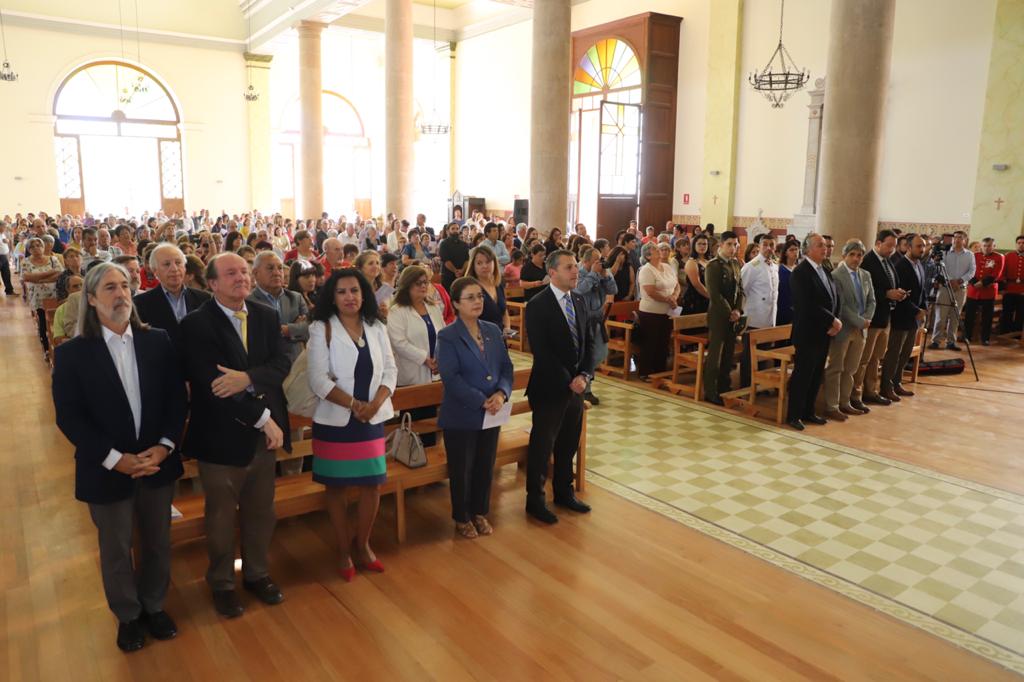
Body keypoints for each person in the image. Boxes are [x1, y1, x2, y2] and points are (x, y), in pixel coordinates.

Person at [51, 262, 187, 652]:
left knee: (158, 541)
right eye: (110, 288)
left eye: (125, 286)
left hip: (156, 461)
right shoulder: (75, 353)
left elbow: (176, 400)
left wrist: (163, 446)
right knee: (116, 547)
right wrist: (116, 459)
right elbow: (70, 417)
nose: (121, 294)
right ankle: (128, 615)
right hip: (106, 468)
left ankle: (155, 605)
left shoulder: (156, 340)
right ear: (91, 299)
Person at [180, 253, 289, 618]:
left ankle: (257, 574)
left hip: (263, 440)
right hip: (221, 437)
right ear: (211, 283)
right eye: (230, 273)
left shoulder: (266, 314)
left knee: (261, 513)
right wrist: (263, 418)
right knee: (222, 519)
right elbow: (215, 386)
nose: (241, 277)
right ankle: (223, 583)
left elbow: (281, 365)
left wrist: (249, 378)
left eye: (244, 271)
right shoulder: (197, 324)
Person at [306, 269, 396, 581]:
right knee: (338, 488)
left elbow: (391, 371)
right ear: (332, 296)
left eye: (355, 291)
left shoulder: (376, 326)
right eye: (342, 291)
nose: (349, 297)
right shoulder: (322, 328)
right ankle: (343, 550)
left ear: (364, 294)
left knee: (373, 484)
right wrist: (354, 405)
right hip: (336, 420)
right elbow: (316, 378)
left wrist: (374, 404)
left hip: (371, 419)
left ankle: (364, 546)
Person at [434, 277, 514, 538]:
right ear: (456, 303)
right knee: (462, 468)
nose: (478, 301)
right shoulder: (447, 336)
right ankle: (461, 517)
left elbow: (505, 367)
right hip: (463, 413)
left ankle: (479, 512)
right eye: (470, 297)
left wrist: (501, 393)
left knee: (485, 464)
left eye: (479, 296)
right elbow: (451, 377)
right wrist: (482, 400)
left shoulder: (491, 329)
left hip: (492, 412)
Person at [523, 250, 596, 524]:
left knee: (568, 444)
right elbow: (542, 351)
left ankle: (564, 493)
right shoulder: (538, 304)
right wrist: (570, 379)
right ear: (552, 273)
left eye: (576, 266)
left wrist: (585, 375)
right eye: (569, 267)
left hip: (576, 387)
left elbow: (588, 343)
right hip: (549, 387)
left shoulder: (579, 299)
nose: (575, 271)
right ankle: (535, 500)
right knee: (543, 447)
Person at [786, 233, 841, 431]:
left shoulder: (824, 269)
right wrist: (832, 320)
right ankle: (794, 415)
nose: (825, 249)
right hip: (808, 332)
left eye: (826, 245)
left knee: (817, 373)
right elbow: (806, 304)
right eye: (820, 245)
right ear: (808, 249)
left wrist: (834, 320)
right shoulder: (801, 272)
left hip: (823, 332)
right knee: (803, 374)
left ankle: (809, 411)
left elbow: (834, 296)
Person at [387, 265, 446, 445]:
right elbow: (398, 342)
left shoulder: (433, 307)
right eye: (418, 283)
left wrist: (438, 358)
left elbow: (442, 334)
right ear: (406, 285)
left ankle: (430, 452)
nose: (423, 286)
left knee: (431, 419)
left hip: (434, 372)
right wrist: (424, 359)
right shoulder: (397, 311)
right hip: (411, 372)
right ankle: (410, 454)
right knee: (412, 420)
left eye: (425, 282)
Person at [823, 240, 876, 419]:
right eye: (852, 255)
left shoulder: (866, 275)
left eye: (859, 255)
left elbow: (872, 301)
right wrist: (860, 321)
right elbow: (841, 305)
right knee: (836, 368)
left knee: (851, 369)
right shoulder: (836, 275)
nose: (856, 258)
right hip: (844, 329)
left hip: (861, 330)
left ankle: (845, 403)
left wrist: (867, 318)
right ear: (844, 256)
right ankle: (832, 406)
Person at [854, 230, 905, 409]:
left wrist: (898, 292)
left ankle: (871, 391)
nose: (892, 249)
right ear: (878, 243)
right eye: (889, 245)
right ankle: (856, 394)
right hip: (872, 318)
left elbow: (891, 283)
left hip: (885, 317)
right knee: (864, 358)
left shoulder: (887, 262)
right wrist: (886, 293)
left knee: (876, 357)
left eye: (894, 246)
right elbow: (864, 291)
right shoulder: (868, 262)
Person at [133, 244, 211, 355]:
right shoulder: (140, 304)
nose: (174, 269)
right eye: (166, 264)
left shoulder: (204, 298)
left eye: (178, 263)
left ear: (185, 267)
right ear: (155, 271)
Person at [881, 234, 928, 400]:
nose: (922, 249)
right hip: (901, 316)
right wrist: (916, 310)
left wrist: (924, 308)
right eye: (918, 246)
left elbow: (922, 291)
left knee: (906, 352)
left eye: (923, 246)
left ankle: (897, 382)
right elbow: (901, 294)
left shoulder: (920, 265)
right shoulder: (901, 266)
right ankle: (886, 387)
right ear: (908, 247)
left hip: (914, 318)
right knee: (895, 353)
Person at [703, 232, 745, 404]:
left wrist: (738, 310)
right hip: (719, 316)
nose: (733, 248)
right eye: (729, 244)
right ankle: (711, 391)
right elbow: (714, 294)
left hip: (732, 317)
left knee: (728, 354)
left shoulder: (735, 264)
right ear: (720, 245)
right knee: (715, 355)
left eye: (735, 244)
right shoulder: (713, 266)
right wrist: (730, 312)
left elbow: (740, 290)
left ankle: (724, 386)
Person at [248, 251, 309, 365]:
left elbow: (311, 329)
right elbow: (258, 338)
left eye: (280, 268)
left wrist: (288, 330)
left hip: (296, 364)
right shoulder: (248, 302)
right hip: (266, 367)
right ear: (255, 273)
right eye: (270, 268)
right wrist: (295, 329)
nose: (276, 273)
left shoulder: (295, 298)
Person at [574, 245, 617, 404]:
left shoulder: (601, 273)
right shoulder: (578, 273)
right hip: (582, 321)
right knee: (585, 355)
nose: (600, 263)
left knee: (600, 353)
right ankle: (585, 390)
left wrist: (606, 276)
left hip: (597, 320)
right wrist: (593, 274)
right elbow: (579, 290)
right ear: (586, 262)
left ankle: (584, 383)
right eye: (596, 261)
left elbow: (614, 289)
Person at [636, 241, 680, 379]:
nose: (659, 250)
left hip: (667, 311)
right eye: (655, 249)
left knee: (663, 342)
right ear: (648, 256)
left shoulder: (667, 267)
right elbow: (650, 291)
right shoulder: (646, 269)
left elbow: (677, 285)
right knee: (650, 342)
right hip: (650, 312)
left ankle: (660, 371)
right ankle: (645, 372)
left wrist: (674, 296)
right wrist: (668, 300)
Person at [739, 235, 778, 388]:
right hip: (754, 318)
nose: (769, 248)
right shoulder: (752, 266)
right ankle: (747, 387)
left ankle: (759, 386)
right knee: (750, 357)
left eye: (772, 245)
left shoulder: (774, 266)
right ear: (760, 247)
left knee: (764, 354)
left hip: (768, 318)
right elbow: (742, 291)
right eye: (766, 245)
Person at [930, 230, 975, 350]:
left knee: (955, 316)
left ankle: (951, 342)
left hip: (960, 289)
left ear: (965, 240)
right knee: (941, 316)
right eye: (955, 237)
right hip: (945, 287)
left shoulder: (970, 255)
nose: (957, 239)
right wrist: (949, 281)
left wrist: (959, 280)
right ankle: (936, 340)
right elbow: (939, 268)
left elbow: (972, 271)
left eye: (960, 237)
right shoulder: (945, 253)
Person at [21, 237, 62, 359]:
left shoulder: (53, 259)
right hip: (38, 299)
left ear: (43, 247)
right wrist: (49, 273)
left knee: (57, 323)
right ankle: (46, 350)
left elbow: (60, 273)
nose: (36, 248)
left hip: (55, 296)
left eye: (39, 245)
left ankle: (59, 349)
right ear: (29, 249)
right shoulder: (26, 261)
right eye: (32, 246)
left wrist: (39, 279)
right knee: (43, 325)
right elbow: (27, 277)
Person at [963, 237, 1004, 345]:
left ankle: (985, 338)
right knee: (969, 316)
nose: (986, 248)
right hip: (973, 290)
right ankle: (967, 336)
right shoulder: (974, 256)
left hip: (988, 291)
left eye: (989, 246)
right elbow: (968, 270)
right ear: (981, 246)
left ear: (994, 246)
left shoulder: (999, 257)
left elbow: (996, 273)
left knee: (987, 317)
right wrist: (974, 282)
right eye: (984, 246)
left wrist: (982, 283)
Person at [464, 244, 510, 333]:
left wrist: (507, 327)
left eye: (488, 262)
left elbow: (504, 311)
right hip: (480, 337)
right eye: (479, 263)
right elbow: (467, 320)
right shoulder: (470, 288)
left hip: (500, 336)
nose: (484, 266)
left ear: (494, 263)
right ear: (473, 265)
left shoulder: (498, 284)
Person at [999, 235, 1024, 334]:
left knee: (1020, 314)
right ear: (1016, 244)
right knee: (1007, 313)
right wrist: (1003, 288)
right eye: (1019, 243)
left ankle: (1016, 334)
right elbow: (1002, 273)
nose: (1021, 245)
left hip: (1022, 291)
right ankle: (1004, 333)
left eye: (1023, 243)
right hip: (1009, 289)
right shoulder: (1008, 256)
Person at [681, 234, 710, 313]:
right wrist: (712, 297)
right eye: (699, 244)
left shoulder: (709, 262)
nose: (702, 246)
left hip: (707, 298)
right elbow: (697, 285)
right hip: (695, 300)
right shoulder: (692, 262)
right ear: (694, 245)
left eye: (704, 244)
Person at [439, 221, 470, 292]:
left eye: (457, 228)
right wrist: (455, 271)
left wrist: (462, 270)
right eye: (453, 229)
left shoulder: (464, 244)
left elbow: (467, 260)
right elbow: (446, 260)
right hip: (448, 275)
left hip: (462, 275)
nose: (455, 231)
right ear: (447, 231)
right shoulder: (444, 244)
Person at [775, 240, 801, 325]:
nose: (795, 252)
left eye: (796, 249)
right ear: (785, 253)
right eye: (791, 250)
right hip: (783, 307)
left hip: (797, 308)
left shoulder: (800, 269)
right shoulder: (780, 269)